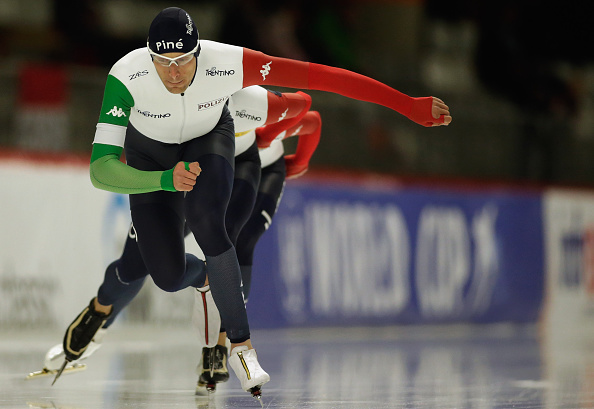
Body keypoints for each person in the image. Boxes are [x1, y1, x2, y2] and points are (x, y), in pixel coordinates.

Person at [54, 6, 451, 398]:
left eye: (183, 62)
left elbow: (321, 81)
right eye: (162, 62)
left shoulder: (231, 65)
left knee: (213, 224)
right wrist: (162, 179)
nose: (173, 74)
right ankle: (142, 297)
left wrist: (406, 105)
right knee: (161, 272)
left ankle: (240, 348)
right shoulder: (126, 75)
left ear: (199, 53)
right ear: (149, 55)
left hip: (207, 143)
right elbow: (100, 169)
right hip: (152, 159)